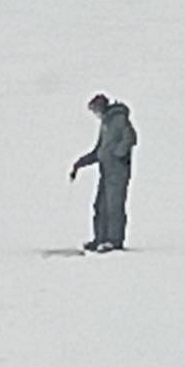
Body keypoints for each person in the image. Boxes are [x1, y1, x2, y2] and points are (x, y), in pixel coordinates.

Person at [69, 94, 137, 252]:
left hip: (118, 172)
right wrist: (79, 164)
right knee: (100, 205)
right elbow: (99, 151)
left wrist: (117, 155)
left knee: (114, 206)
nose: (95, 114)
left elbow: (130, 138)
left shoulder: (119, 119)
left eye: (95, 109)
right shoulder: (105, 124)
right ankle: (100, 239)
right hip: (105, 172)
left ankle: (114, 241)